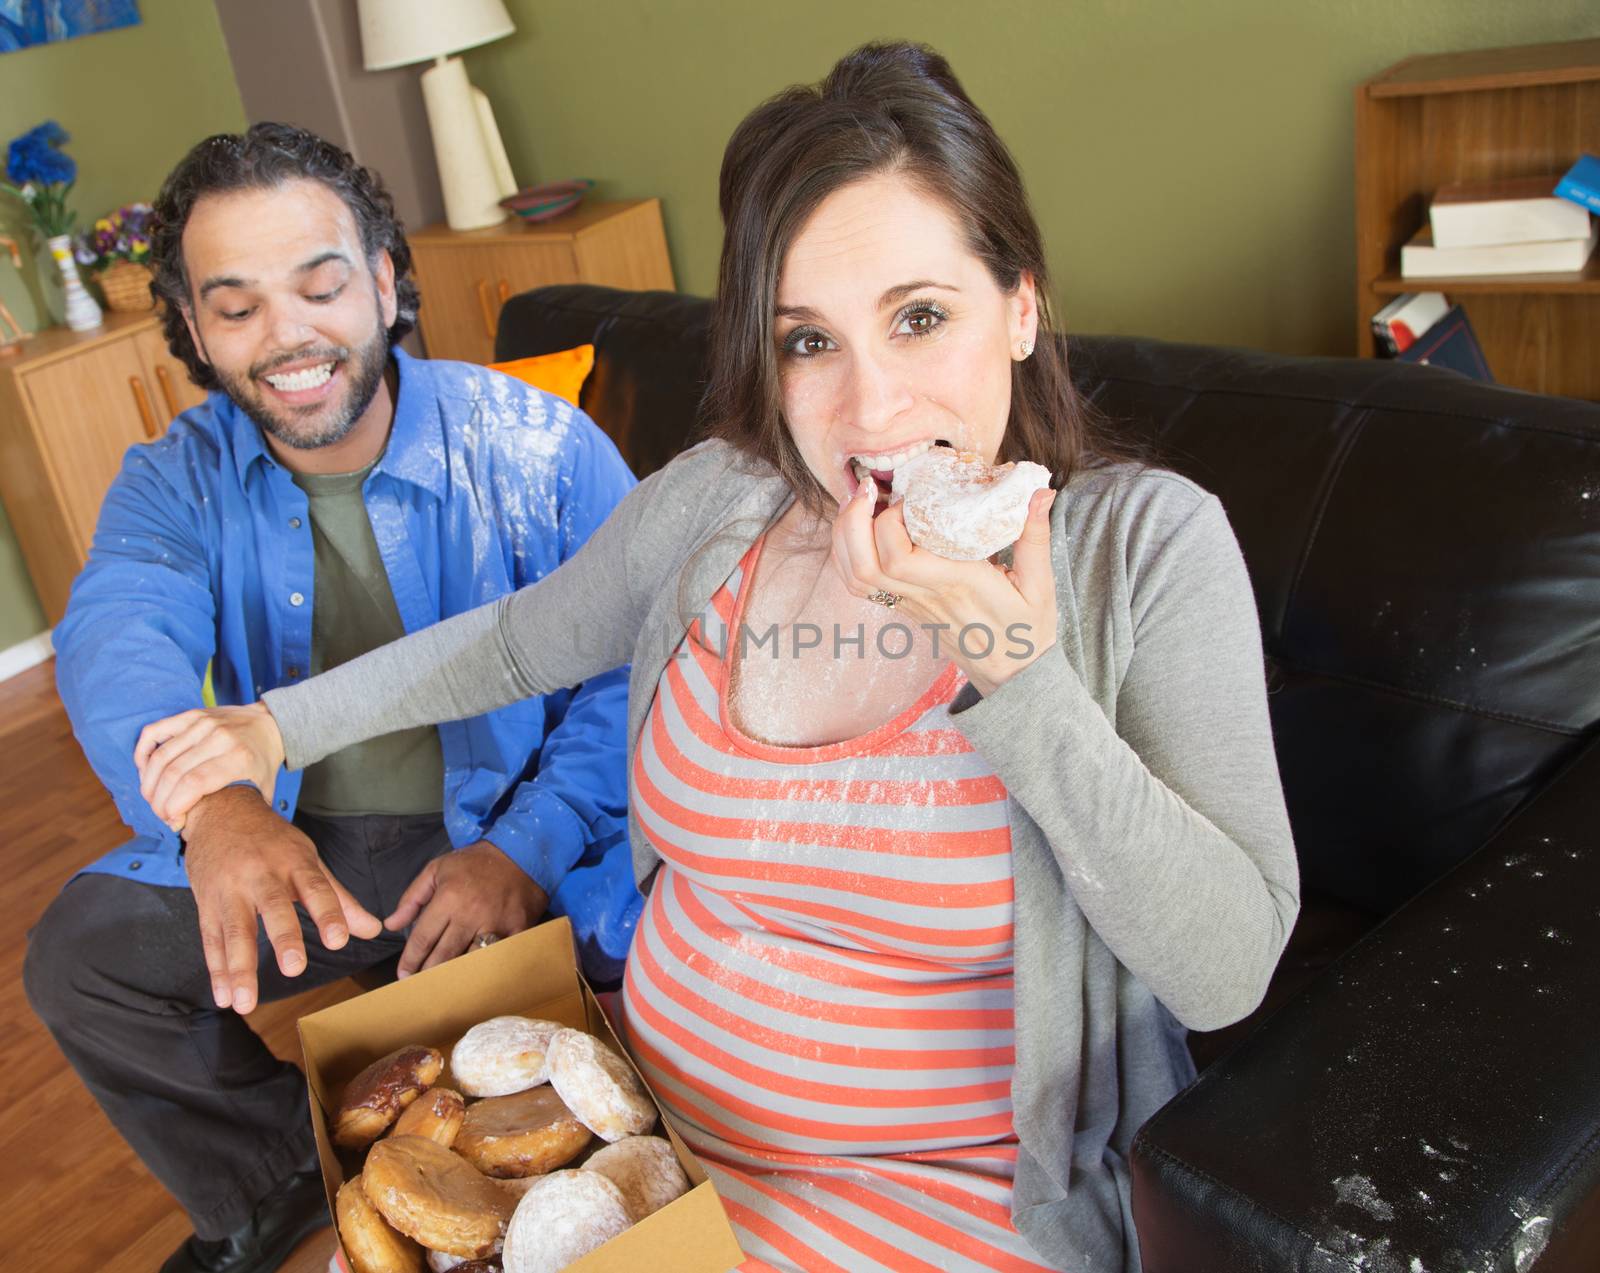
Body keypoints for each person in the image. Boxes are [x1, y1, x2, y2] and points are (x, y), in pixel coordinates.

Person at [134, 45, 1301, 1273]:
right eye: (809, 342)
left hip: (939, 1192)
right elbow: (518, 637)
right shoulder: (720, 505)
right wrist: (273, 728)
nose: (870, 406)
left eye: (918, 316)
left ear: (1018, 305)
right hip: (646, 1136)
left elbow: (1224, 973)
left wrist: (1020, 680)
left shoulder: (1148, 549)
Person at [23, 123, 640, 1273]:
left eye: (319, 285)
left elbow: (636, 675)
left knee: (610, 1048)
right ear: (195, 331)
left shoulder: (538, 447)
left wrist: (526, 848)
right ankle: (302, 1198)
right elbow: (118, 638)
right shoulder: (173, 479)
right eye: (238, 304)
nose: (288, 335)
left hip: (513, 825)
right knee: (83, 957)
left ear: (385, 282)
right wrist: (216, 809)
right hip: (300, 844)